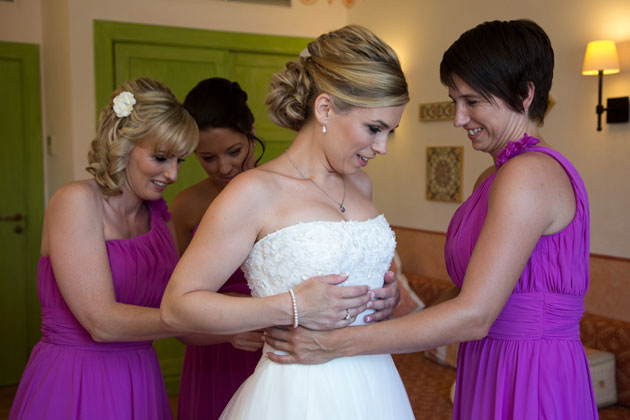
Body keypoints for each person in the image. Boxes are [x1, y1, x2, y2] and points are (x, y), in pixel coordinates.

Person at [264, 19, 599, 420]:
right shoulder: (494, 176)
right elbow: (467, 292)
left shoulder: (530, 175)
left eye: (472, 101)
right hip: (489, 359)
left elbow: (475, 315)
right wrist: (397, 311)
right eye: (454, 100)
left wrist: (335, 344)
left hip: (530, 370)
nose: (458, 118)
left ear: (525, 95)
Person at [160, 24, 413, 419]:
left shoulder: (361, 184)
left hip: (375, 384)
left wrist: (384, 298)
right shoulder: (254, 191)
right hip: (296, 394)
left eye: (389, 133)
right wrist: (291, 306)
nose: (382, 147)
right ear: (325, 108)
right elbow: (178, 308)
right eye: (374, 129)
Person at [9, 77, 199, 420]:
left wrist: (243, 326)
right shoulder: (76, 201)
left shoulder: (159, 216)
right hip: (76, 378)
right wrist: (207, 319)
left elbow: (183, 319)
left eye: (180, 161)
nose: (172, 174)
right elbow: (102, 322)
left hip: (141, 376)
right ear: (123, 144)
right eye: (160, 158)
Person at [171, 77, 265, 420]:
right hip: (212, 352)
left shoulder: (284, 190)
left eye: (234, 152)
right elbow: (175, 305)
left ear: (251, 132)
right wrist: (225, 327)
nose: (224, 168)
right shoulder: (186, 206)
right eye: (208, 157)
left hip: (275, 342)